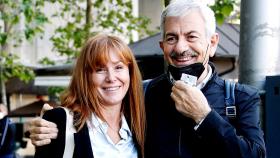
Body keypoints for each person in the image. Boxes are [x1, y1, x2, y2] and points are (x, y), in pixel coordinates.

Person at [29, 0, 266, 157]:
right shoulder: (142, 93)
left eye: (191, 36)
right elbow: (95, 106)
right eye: (172, 38)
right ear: (162, 46)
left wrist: (205, 117)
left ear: (212, 43)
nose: (181, 47)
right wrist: (51, 124)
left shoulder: (241, 97)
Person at [34, 33, 145, 158]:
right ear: (86, 76)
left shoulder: (141, 124)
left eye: (118, 67)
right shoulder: (60, 123)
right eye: (100, 69)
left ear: (130, 73)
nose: (111, 78)